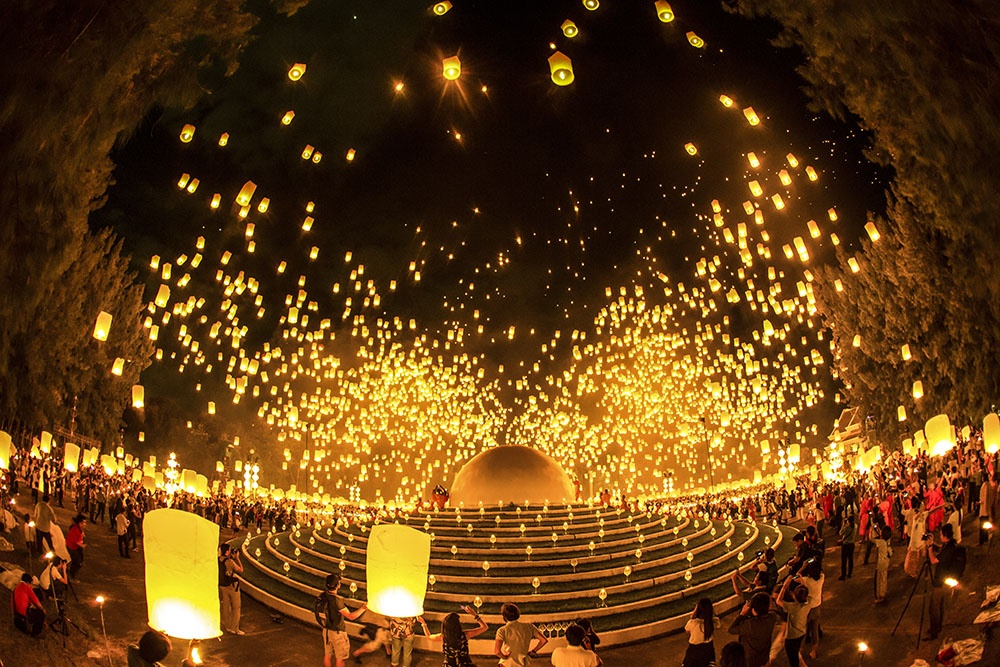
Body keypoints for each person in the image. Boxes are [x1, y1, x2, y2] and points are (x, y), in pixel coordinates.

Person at [314, 573, 368, 667]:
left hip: (326, 631)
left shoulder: (322, 595)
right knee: (340, 659)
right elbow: (351, 616)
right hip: (337, 633)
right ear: (338, 585)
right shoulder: (336, 601)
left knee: (327, 655)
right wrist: (364, 608)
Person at [927, 522, 963, 640]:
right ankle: (938, 627)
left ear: (945, 535)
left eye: (941, 535)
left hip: (941, 582)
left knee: (934, 607)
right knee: (940, 605)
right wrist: (933, 544)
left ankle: (934, 631)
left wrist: (929, 548)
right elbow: (941, 550)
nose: (940, 536)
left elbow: (933, 560)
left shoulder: (949, 549)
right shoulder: (951, 544)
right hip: (946, 581)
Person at [421, 605, 488, 667]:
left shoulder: (443, 637)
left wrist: (423, 624)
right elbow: (484, 627)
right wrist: (474, 615)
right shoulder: (465, 635)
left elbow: (429, 636)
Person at [727, 592, 776, 667]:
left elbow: (731, 629)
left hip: (750, 658)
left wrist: (742, 613)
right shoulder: (772, 617)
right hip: (764, 655)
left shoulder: (750, 624)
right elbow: (771, 610)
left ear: (753, 609)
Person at [776, 575, 810, 667]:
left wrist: (784, 586)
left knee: (793, 658)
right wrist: (802, 581)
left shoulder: (793, 608)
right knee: (796, 652)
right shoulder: (808, 604)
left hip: (792, 636)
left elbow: (778, 601)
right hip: (802, 633)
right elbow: (805, 591)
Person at [682, 598, 719, 667]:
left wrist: (693, 615)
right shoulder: (714, 622)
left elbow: (687, 630)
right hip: (708, 650)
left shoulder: (693, 623)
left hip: (694, 651)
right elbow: (716, 621)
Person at [218, 543, 244, 635]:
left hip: (222, 586)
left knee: (226, 606)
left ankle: (227, 626)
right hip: (232, 586)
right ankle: (235, 629)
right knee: (236, 608)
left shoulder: (218, 560)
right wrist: (237, 558)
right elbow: (240, 569)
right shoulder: (230, 561)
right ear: (227, 551)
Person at [872, 525, 893, 603]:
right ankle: (883, 594)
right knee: (884, 579)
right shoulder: (888, 542)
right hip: (886, 562)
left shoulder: (881, 542)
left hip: (880, 564)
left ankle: (879, 597)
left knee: (878, 580)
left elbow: (872, 539)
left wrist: (873, 530)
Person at [66, 514, 87, 581]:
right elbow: (74, 541)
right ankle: (71, 576)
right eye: (84, 522)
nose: (85, 524)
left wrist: (82, 535)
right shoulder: (75, 530)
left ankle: (77, 566)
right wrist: (82, 545)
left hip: (76, 547)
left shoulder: (79, 528)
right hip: (72, 547)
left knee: (79, 559)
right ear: (80, 523)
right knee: (77, 563)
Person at [837, 512, 857, 580]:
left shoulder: (847, 527)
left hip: (846, 545)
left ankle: (843, 575)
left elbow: (840, 533)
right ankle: (849, 573)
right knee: (850, 559)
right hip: (852, 544)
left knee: (844, 560)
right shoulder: (855, 526)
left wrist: (843, 524)